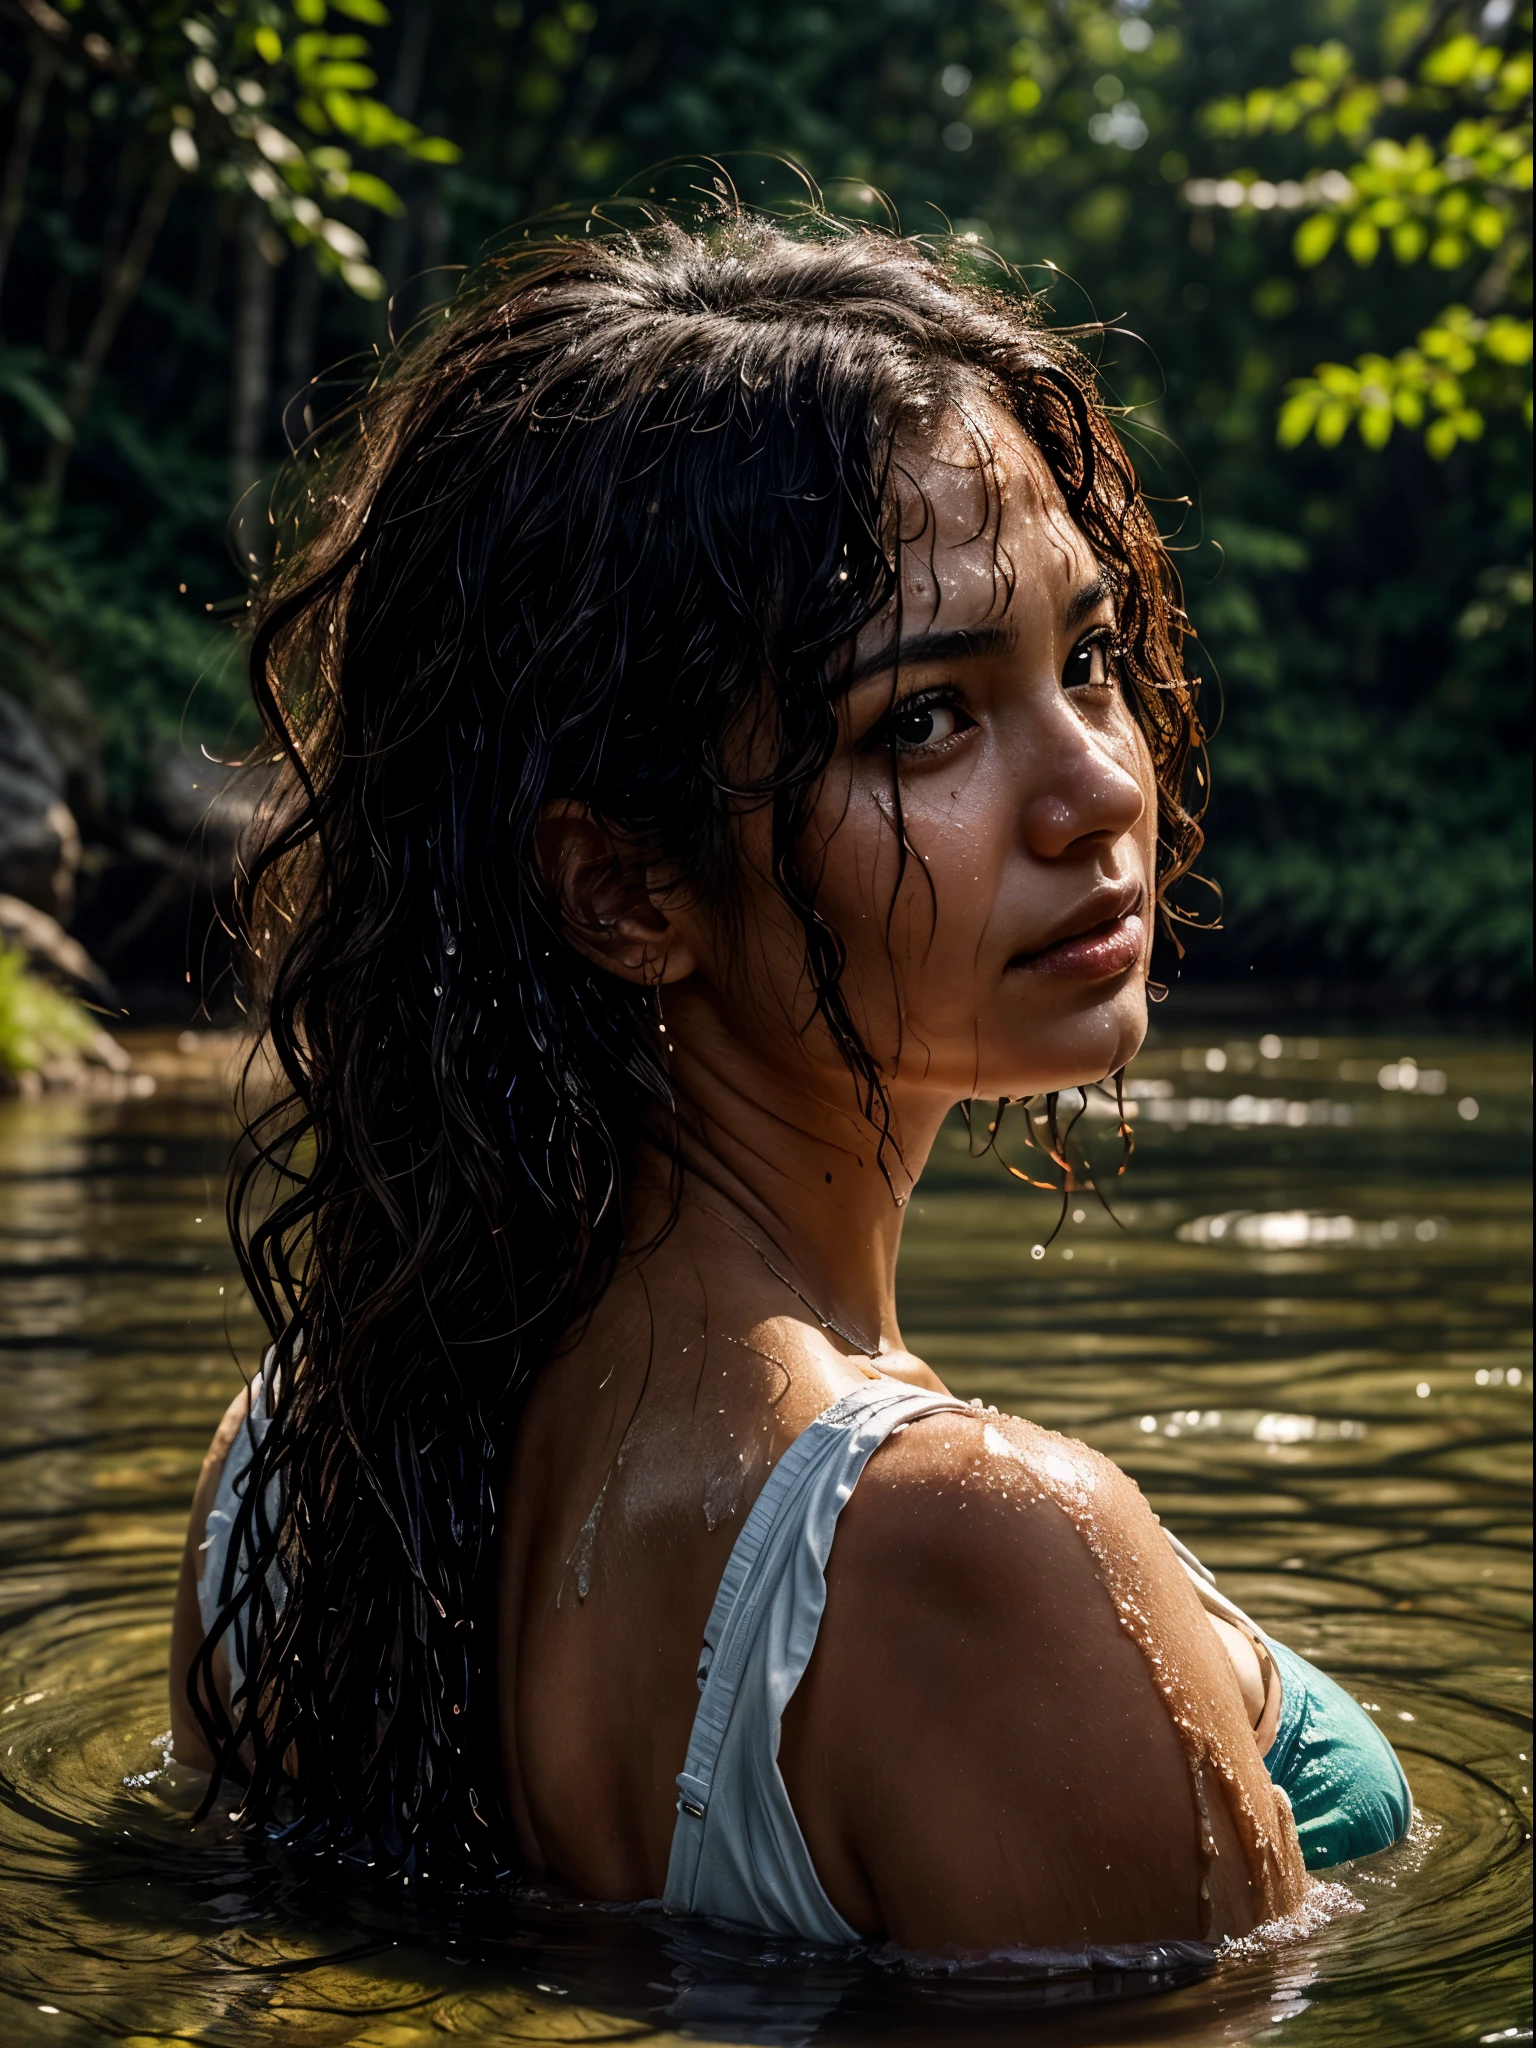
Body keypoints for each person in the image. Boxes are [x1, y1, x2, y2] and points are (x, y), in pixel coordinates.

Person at [168, 206, 1410, 1955]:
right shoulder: (973, 1557)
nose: (1099, 793)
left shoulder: (290, 1471)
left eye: (1092, 661)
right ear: (627, 890)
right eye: (924, 720)